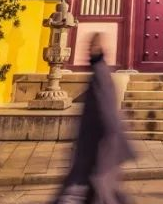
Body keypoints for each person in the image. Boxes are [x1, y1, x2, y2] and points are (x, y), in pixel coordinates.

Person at [54, 32, 134, 204]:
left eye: (92, 47)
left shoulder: (100, 74)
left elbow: (107, 112)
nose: (88, 51)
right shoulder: (99, 72)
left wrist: (107, 141)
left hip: (98, 144)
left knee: (97, 187)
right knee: (99, 188)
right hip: (95, 143)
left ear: (99, 49)